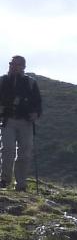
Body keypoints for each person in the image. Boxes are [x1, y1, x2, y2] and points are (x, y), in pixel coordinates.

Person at [0, 56, 42, 191]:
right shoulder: (3, 81)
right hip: (8, 120)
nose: (12, 66)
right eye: (11, 64)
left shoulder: (30, 83)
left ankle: (21, 184)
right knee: (8, 149)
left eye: (16, 64)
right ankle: (5, 180)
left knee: (25, 151)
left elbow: (38, 102)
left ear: (23, 67)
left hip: (26, 122)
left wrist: (36, 113)